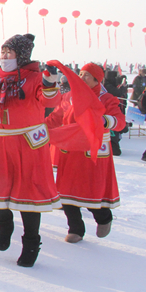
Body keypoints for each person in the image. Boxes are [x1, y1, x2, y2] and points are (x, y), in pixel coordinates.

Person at [0, 34, 62, 267]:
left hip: (27, 145)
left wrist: (49, 83)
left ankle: (31, 241)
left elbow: (50, 101)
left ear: (22, 55)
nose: (4, 56)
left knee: (28, 197)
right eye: (3, 52)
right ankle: (5, 223)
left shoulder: (35, 77)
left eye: (9, 52)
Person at [46, 63, 125, 242]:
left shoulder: (106, 99)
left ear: (97, 80)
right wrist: (39, 128)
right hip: (70, 149)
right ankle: (76, 228)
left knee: (92, 189)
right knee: (65, 190)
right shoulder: (69, 97)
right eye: (80, 73)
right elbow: (55, 118)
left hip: (93, 152)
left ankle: (103, 217)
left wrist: (104, 121)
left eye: (87, 75)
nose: (81, 77)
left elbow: (120, 121)